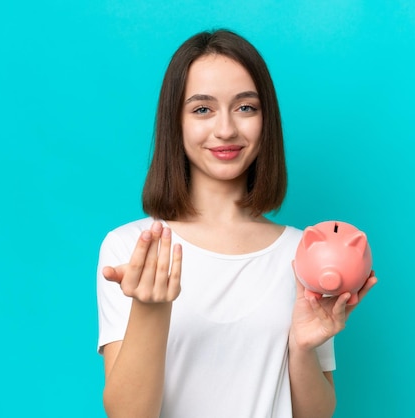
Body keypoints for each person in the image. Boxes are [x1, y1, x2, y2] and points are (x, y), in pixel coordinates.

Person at [96, 29, 377, 418]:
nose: (226, 129)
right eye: (202, 109)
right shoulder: (132, 248)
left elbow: (317, 414)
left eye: (246, 107)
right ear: (174, 123)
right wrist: (150, 308)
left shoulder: (303, 253)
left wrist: (302, 347)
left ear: (267, 120)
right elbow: (128, 414)